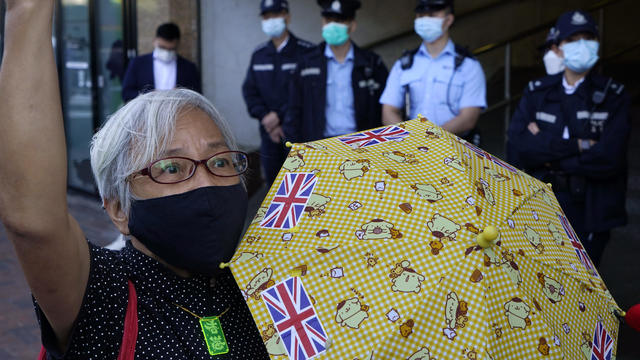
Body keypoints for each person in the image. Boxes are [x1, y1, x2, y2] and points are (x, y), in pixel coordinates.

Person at [0, 1, 269, 358]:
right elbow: (32, 218)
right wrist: (28, 10)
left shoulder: (268, 287)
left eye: (220, 161)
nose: (205, 182)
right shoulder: (104, 294)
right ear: (118, 209)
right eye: (171, 167)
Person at [507, 10, 631, 267]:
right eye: (573, 40)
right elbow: (518, 150)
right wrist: (578, 146)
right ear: (558, 48)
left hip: (590, 206)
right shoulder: (537, 92)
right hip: (542, 203)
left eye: (588, 38)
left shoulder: (614, 95)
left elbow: (609, 158)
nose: (582, 45)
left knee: (585, 284)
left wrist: (546, 153)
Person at [379, 0, 486, 141]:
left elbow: (468, 118)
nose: (425, 20)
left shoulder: (468, 65)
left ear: (448, 20)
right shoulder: (404, 64)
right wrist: (410, 138)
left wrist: (430, 138)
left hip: (454, 148)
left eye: (431, 15)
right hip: (411, 148)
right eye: (421, 16)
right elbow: (388, 112)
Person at [283, 0, 388, 143]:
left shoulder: (372, 63)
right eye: (328, 20)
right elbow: (293, 110)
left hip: (363, 144)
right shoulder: (306, 63)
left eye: (339, 20)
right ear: (322, 23)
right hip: (320, 146)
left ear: (352, 25)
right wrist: (296, 149)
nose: (332, 26)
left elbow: (385, 109)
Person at [242, 0, 314, 186]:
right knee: (274, 189)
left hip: (299, 135)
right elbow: (250, 90)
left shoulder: (307, 52)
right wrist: (266, 118)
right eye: (266, 16)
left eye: (276, 15)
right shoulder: (259, 54)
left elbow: (308, 93)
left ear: (287, 17)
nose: (271, 20)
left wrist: (279, 117)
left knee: (302, 189)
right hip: (269, 135)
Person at [122, 22, 201, 102]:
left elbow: (197, 97)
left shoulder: (189, 67)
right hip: (146, 112)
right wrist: (150, 95)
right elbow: (127, 94)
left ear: (178, 44)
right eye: (162, 47)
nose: (166, 52)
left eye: (171, 49)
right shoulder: (138, 64)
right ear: (154, 41)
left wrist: (181, 94)